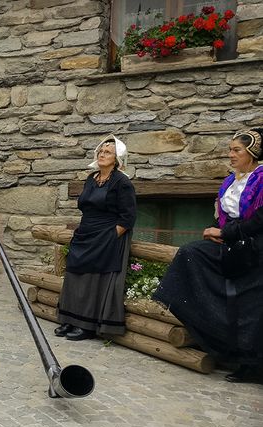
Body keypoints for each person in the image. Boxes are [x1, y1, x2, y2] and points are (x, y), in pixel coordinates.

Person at [153, 129, 263, 383]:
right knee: (191, 253)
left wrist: (225, 233)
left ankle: (252, 365)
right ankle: (212, 336)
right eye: (230, 149)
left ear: (252, 153)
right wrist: (219, 232)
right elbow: (224, 215)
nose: (231, 154)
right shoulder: (231, 181)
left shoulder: (261, 180)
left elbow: (259, 221)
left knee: (251, 306)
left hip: (255, 249)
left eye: (237, 150)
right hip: (234, 243)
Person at [54, 135, 136, 341]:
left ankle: (86, 325)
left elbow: (128, 218)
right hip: (86, 232)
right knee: (75, 275)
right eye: (100, 151)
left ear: (117, 158)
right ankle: (70, 319)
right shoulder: (91, 179)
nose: (102, 154)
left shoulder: (122, 182)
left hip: (106, 235)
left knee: (93, 280)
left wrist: (108, 238)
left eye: (107, 152)